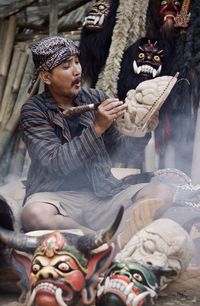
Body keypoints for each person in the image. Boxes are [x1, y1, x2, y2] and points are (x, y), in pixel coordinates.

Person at [19, 36, 173, 241]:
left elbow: (121, 151)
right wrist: (97, 127)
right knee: (34, 215)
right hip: (56, 198)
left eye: (77, 62)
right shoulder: (33, 110)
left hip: (101, 193)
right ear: (46, 77)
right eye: (66, 66)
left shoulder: (95, 98)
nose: (77, 70)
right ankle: (100, 240)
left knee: (161, 193)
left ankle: (109, 237)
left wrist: (142, 129)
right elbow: (56, 163)